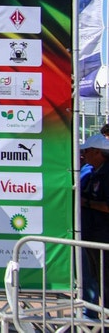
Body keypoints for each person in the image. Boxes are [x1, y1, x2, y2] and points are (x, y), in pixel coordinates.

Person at [79, 133, 109, 318]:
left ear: (98, 152)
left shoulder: (106, 175)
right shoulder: (91, 173)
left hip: (103, 237)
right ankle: (91, 318)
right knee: (93, 279)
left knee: (106, 282)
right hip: (92, 236)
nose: (84, 155)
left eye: (87, 151)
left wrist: (86, 203)